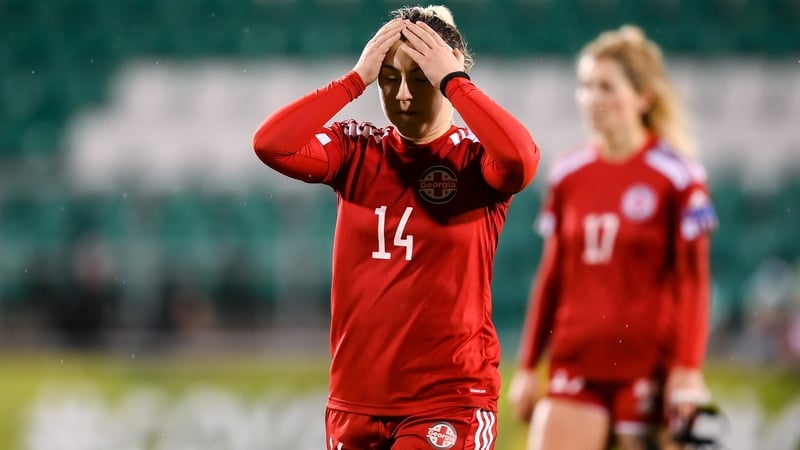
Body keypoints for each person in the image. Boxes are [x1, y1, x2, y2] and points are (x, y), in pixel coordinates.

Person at [252, 5, 540, 450]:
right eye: (389, 79)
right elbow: (271, 145)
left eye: (421, 78)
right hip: (355, 401)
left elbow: (521, 160)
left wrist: (456, 82)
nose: (402, 94)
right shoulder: (356, 150)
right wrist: (353, 81)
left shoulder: (476, 162)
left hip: (449, 401)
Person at [506, 25, 717, 450]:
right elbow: (552, 277)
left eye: (605, 86)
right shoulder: (568, 174)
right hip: (576, 360)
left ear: (643, 98)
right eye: (585, 86)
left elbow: (693, 281)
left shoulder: (680, 177)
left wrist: (687, 368)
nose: (592, 98)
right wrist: (529, 365)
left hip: (648, 368)